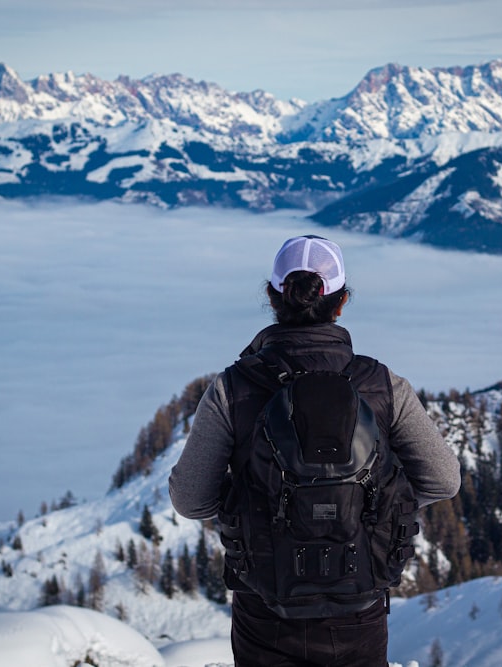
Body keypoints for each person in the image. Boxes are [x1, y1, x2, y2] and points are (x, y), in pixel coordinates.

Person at [169, 235, 461, 667]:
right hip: (357, 604)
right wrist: (369, 503)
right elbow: (444, 480)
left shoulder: (233, 389)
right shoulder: (382, 386)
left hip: (264, 606)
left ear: (273, 297)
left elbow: (192, 501)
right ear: (341, 302)